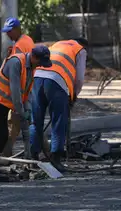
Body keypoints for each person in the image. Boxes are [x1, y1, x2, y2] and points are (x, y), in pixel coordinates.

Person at [29, 38, 88, 172]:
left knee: (35, 120)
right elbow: (79, 78)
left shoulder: (57, 44)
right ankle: (56, 159)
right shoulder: (80, 50)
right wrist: (73, 96)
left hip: (37, 77)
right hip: (56, 82)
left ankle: (33, 158)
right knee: (59, 121)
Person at [0, 45, 52, 156]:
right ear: (34, 56)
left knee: (16, 131)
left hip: (9, 101)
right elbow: (15, 92)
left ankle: (7, 157)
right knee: (1, 135)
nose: (41, 65)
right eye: (40, 61)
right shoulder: (16, 63)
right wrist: (22, 113)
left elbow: (26, 90)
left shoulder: (32, 66)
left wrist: (28, 108)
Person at [0, 17, 36, 157]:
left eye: (9, 31)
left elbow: (14, 71)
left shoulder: (19, 46)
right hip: (28, 85)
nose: (8, 35)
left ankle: (7, 154)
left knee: (15, 121)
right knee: (27, 122)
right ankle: (38, 151)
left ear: (17, 29)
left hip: (22, 88)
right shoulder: (27, 40)